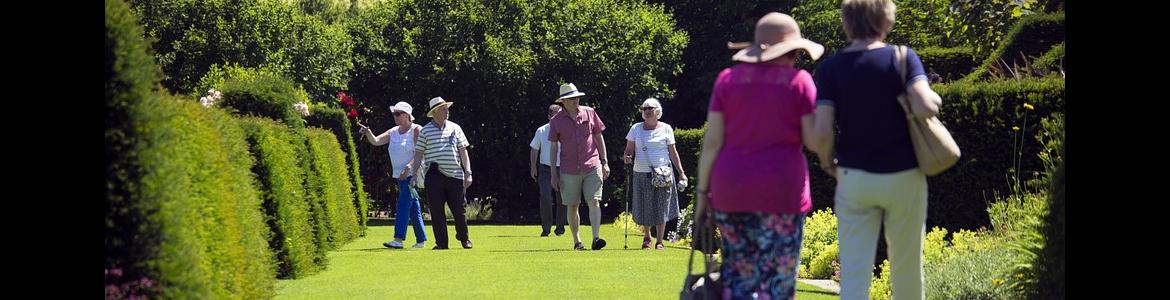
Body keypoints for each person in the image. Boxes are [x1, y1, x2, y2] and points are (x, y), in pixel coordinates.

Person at [811, 0, 944, 298]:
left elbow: (821, 132)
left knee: (855, 272)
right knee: (907, 268)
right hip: (905, 175)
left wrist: (827, 162)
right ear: (887, 20)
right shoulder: (903, 58)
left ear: (847, 23)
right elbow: (925, 104)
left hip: (854, 176)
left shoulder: (831, 68)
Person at [693, 12, 824, 299]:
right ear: (789, 51)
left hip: (731, 191)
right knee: (778, 283)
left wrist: (702, 195)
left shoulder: (727, 80)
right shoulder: (800, 82)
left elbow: (712, 142)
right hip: (781, 193)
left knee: (739, 281)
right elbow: (814, 141)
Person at [548, 83, 609, 251]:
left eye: (577, 97)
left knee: (594, 201)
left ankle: (596, 238)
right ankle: (577, 241)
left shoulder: (589, 112)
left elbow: (599, 137)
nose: (576, 101)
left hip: (592, 165)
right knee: (572, 205)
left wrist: (604, 161)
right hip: (568, 169)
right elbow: (553, 148)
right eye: (572, 98)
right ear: (563, 101)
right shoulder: (556, 121)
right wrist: (554, 173)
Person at [359, 102, 428, 249]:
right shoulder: (393, 131)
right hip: (400, 176)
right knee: (413, 207)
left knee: (402, 204)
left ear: (407, 115)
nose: (395, 116)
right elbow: (376, 141)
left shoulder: (416, 130)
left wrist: (408, 168)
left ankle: (398, 239)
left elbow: (420, 152)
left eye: (398, 114)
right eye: (394, 114)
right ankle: (421, 240)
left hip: (412, 175)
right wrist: (367, 132)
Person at [409, 97, 475, 250]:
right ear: (435, 113)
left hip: (455, 175)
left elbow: (463, 152)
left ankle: (464, 238)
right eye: (444, 109)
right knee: (437, 212)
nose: (447, 111)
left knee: (459, 210)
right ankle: (441, 243)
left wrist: (468, 172)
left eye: (447, 109)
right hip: (434, 175)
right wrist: (414, 175)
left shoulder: (455, 128)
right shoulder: (425, 131)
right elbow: (418, 155)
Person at [621, 98, 685, 250]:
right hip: (641, 173)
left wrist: (681, 172)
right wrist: (627, 156)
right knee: (645, 206)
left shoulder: (666, 128)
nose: (647, 111)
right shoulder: (635, 128)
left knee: (661, 206)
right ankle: (647, 237)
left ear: (658, 111)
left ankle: (660, 241)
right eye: (644, 108)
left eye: (650, 108)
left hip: (663, 173)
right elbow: (629, 149)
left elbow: (673, 152)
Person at [530, 104, 567, 237]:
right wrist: (533, 167)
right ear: (549, 117)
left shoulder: (565, 130)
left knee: (562, 198)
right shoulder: (541, 131)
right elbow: (534, 149)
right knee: (545, 197)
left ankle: (560, 228)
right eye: (554, 117)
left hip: (562, 168)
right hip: (545, 169)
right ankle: (546, 228)